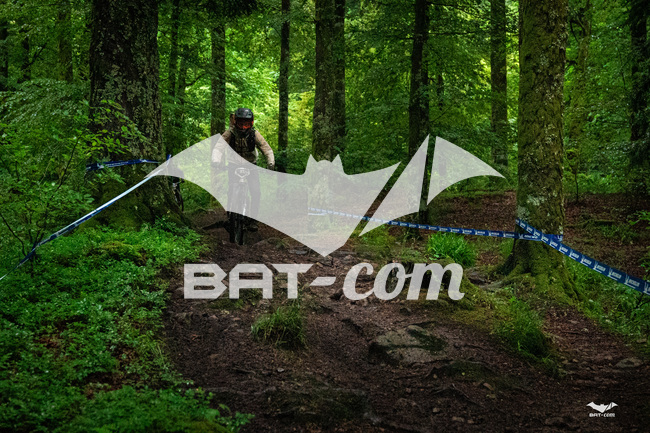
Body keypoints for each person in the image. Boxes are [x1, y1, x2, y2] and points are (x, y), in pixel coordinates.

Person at [213, 107, 275, 232]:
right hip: (233, 164)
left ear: (251, 123)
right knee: (231, 189)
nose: (243, 127)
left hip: (251, 164)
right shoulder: (230, 133)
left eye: (246, 124)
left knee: (256, 192)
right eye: (241, 123)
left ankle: (253, 220)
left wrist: (270, 162)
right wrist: (216, 160)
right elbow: (219, 147)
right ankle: (231, 216)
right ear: (235, 122)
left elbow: (266, 148)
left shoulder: (254, 134)